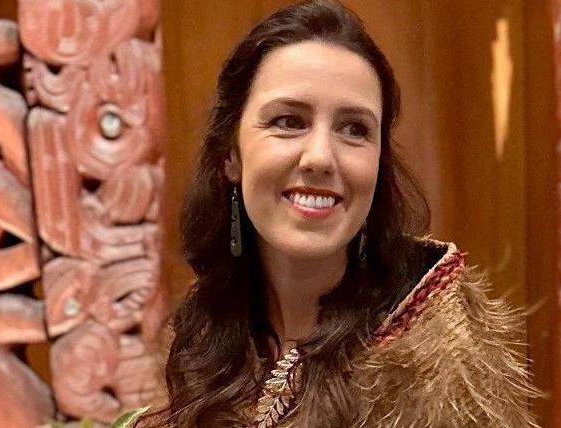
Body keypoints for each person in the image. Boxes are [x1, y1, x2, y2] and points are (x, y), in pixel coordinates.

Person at [146, 1, 539, 426]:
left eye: (354, 129)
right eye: (288, 121)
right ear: (231, 156)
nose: (320, 157)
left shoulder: (438, 361)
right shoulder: (207, 333)